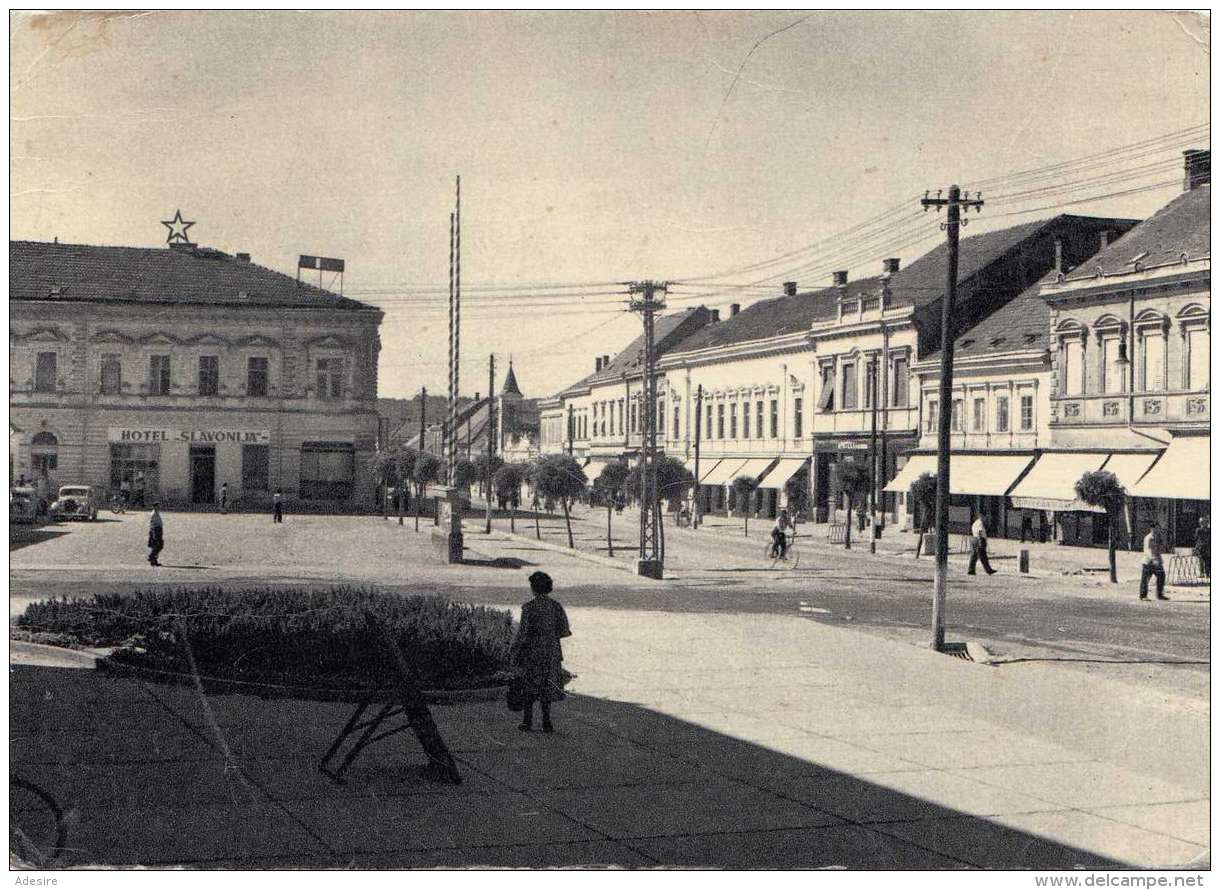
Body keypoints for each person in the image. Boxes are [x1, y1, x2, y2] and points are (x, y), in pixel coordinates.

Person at [510, 571, 572, 733]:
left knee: (530, 686)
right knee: (547, 686)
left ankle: (527, 722)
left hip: (532, 652)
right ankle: (547, 722)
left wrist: (515, 651)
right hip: (551, 652)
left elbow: (522, 634)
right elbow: (564, 630)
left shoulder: (529, 608)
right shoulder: (556, 606)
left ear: (533, 588)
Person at [1140, 521, 1168, 600]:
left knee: (1161, 576)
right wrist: (1153, 559)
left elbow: (1162, 547)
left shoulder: (1158, 537)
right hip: (1148, 561)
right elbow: (1147, 550)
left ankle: (1159, 594)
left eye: (1158, 528)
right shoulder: (1148, 538)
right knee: (1146, 579)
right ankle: (1143, 596)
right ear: (1151, 529)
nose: (1157, 530)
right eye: (1156, 528)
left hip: (1157, 560)